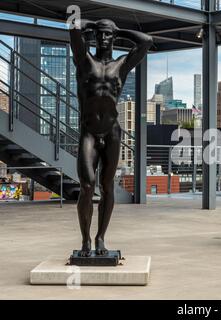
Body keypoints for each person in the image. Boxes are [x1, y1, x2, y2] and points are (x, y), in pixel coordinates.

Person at [69, 19, 153, 257]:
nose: (103, 38)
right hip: (89, 132)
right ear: (93, 37)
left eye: (107, 35)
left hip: (113, 132)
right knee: (87, 186)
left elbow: (146, 41)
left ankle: (100, 238)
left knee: (107, 187)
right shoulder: (84, 60)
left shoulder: (122, 65)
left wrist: (118, 30)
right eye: (99, 35)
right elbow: (73, 27)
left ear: (114, 38)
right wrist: (93, 24)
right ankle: (85, 240)